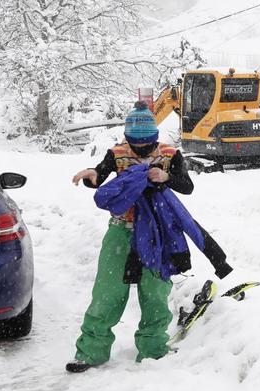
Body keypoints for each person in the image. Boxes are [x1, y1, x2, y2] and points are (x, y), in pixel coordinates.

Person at [65, 101, 218, 373]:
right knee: (107, 293)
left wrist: (165, 177)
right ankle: (91, 351)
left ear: (154, 138)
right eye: (135, 143)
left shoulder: (171, 153)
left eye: (146, 144)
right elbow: (99, 175)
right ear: (128, 138)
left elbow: (187, 186)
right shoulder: (118, 153)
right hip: (121, 232)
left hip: (158, 235)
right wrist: (92, 175)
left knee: (155, 293)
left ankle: (153, 348)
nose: (140, 149)